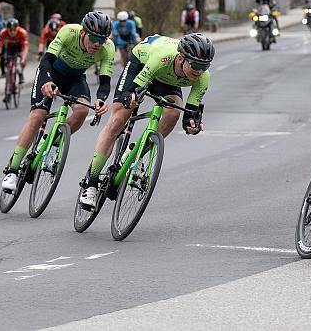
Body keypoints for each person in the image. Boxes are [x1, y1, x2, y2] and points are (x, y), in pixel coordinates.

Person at [79, 33, 214, 209]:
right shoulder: (161, 57)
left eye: (205, 66)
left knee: (174, 113)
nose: (199, 71)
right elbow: (134, 88)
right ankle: (91, 182)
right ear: (181, 58)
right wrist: (131, 97)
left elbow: (190, 113)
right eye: (195, 65)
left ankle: (136, 152)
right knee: (118, 119)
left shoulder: (203, 77)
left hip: (168, 79)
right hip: (143, 64)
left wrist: (192, 125)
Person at [1, 11, 115, 192]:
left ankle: (53, 143)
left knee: (82, 111)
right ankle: (13, 170)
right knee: (38, 116)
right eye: (93, 38)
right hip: (51, 73)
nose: (97, 44)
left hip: (75, 78)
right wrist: (47, 81)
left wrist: (101, 100)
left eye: (101, 39)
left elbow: (105, 81)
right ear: (84, 33)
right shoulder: (69, 32)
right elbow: (46, 60)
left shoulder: (108, 48)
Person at [0, 18, 29, 89]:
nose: (12, 32)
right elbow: (0, 45)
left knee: (19, 62)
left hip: (19, 47)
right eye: (10, 30)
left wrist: (23, 58)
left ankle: (20, 73)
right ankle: (9, 79)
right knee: (8, 61)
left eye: (14, 30)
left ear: (17, 28)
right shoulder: (3, 32)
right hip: (10, 46)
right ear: (7, 29)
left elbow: (25, 47)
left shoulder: (22, 32)